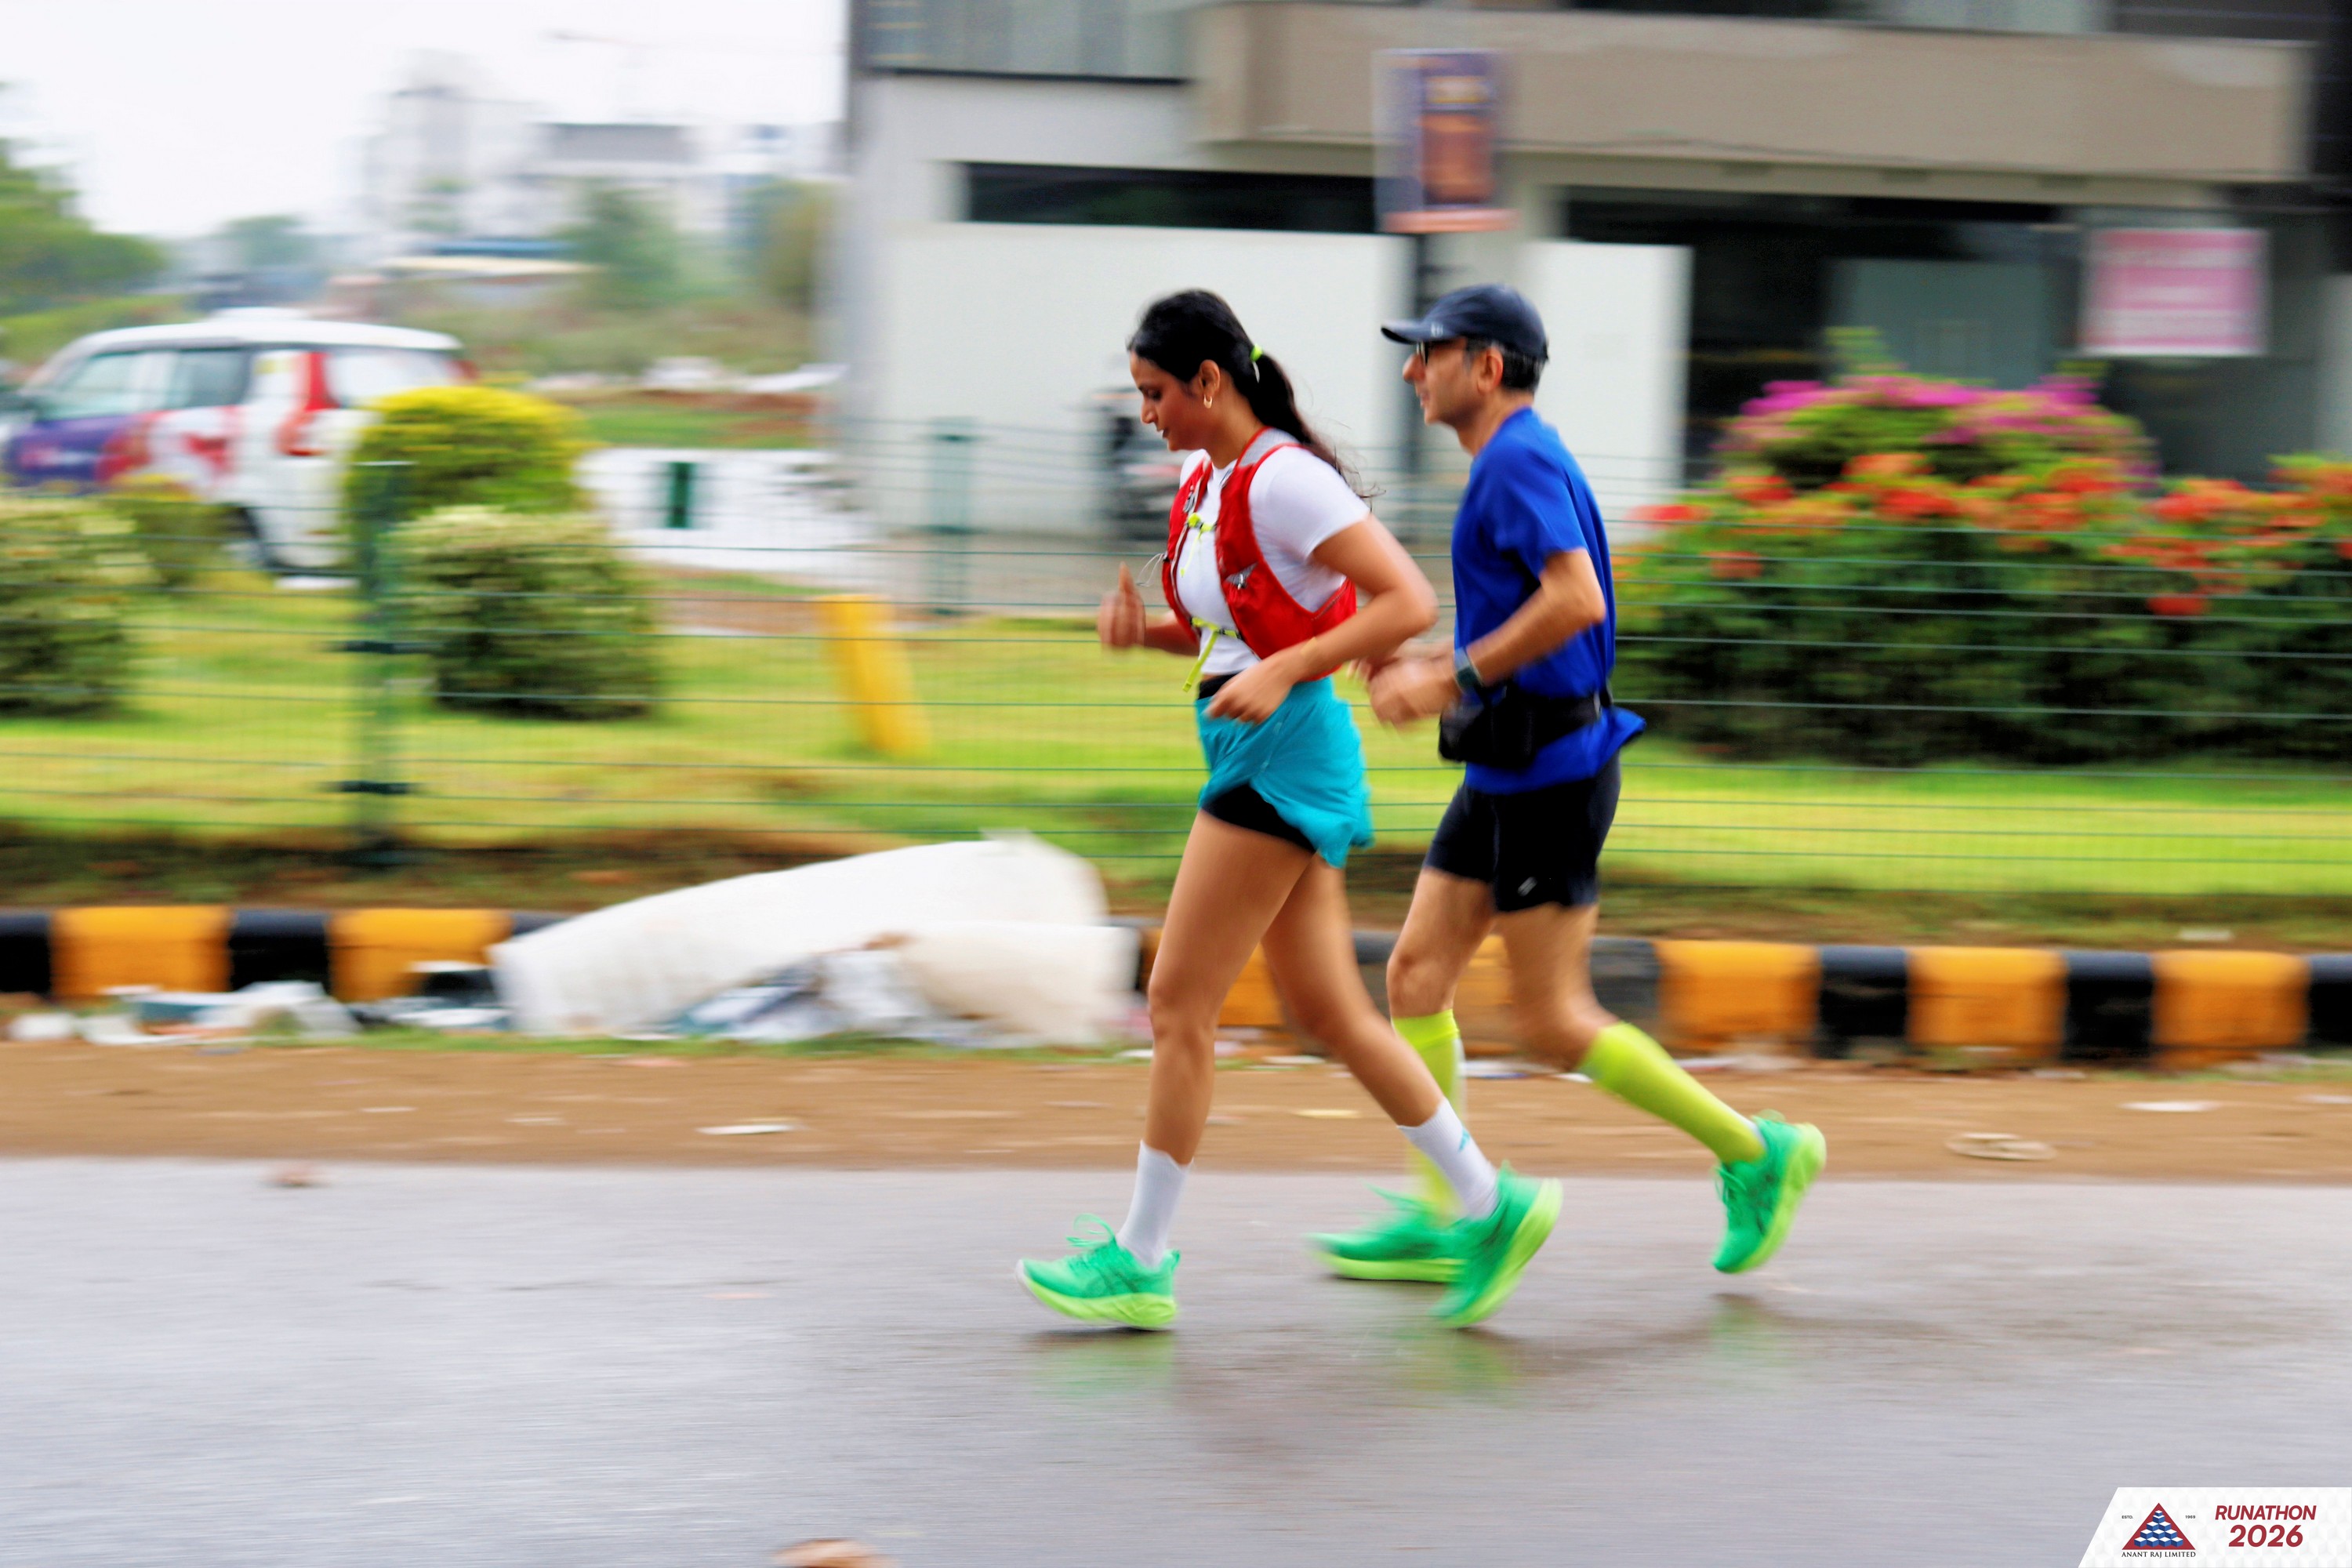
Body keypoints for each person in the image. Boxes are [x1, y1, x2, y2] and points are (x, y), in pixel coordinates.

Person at [1017, 289, 1560, 1330]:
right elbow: (1230, 632)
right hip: (1256, 745)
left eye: (1155, 393)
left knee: (1177, 1001)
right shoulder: (1208, 479)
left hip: (1281, 758)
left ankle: (1139, 1259)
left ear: (1208, 381)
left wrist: (1288, 669)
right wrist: (1148, 636)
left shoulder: (1285, 480)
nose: (1146, 414)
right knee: (1332, 1013)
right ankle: (1491, 1205)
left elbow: (1408, 601)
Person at [1310, 284, 1826, 1283]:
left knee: (1551, 1018)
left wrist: (1451, 676)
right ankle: (1445, 1209)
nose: (1412, 370)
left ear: (1486, 365)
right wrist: (1427, 661)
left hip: (1553, 772)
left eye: (1430, 352)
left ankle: (1758, 1152)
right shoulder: (1512, 460)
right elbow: (1533, 612)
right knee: (1415, 974)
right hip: (1508, 763)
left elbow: (1575, 597)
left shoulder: (1516, 460)